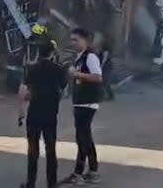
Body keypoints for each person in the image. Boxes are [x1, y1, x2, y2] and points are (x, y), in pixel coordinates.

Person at [18, 30, 67, 188]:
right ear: (52, 53)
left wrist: (21, 113)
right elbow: (63, 91)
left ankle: (30, 183)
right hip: (50, 115)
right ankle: (51, 184)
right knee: (50, 149)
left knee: (33, 151)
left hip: (34, 115)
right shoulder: (59, 69)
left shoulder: (32, 69)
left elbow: (23, 92)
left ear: (39, 53)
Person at [65, 27, 104, 184]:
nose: (73, 43)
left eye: (76, 40)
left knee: (82, 138)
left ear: (85, 41)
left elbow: (97, 77)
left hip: (87, 103)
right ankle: (92, 170)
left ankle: (78, 173)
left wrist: (77, 74)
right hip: (81, 102)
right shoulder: (79, 58)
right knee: (85, 137)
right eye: (72, 40)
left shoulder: (90, 57)